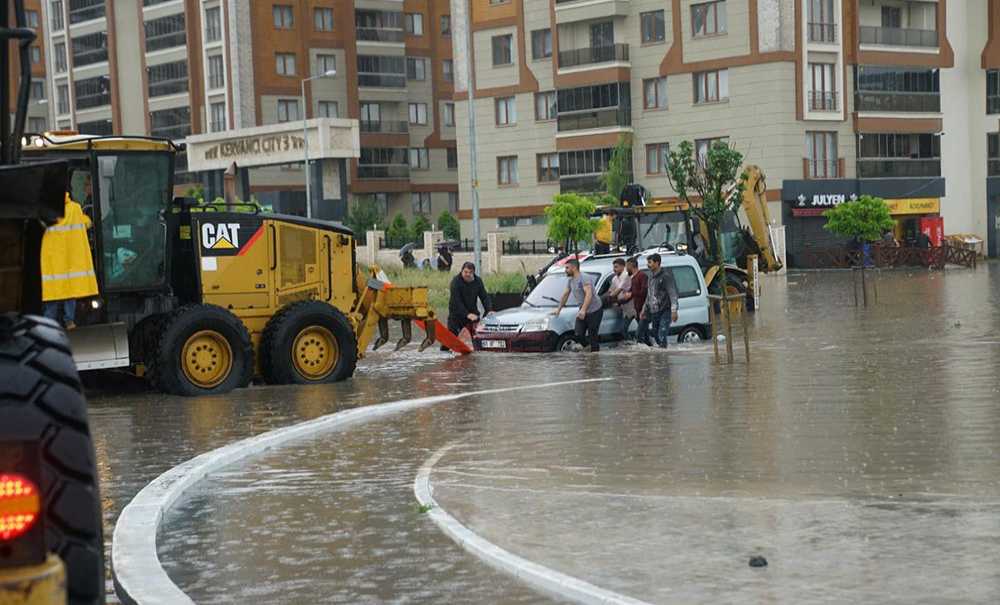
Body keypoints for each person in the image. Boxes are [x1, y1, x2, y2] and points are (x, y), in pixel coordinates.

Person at [41, 191, 98, 330]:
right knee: (70, 292)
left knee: (52, 297)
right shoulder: (75, 208)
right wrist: (88, 220)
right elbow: (86, 223)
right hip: (69, 261)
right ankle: (69, 321)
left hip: (52, 264)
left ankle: (49, 325)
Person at [553, 259, 604, 352]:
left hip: (595, 310)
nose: (565, 270)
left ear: (574, 267)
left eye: (567, 268)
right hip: (583, 309)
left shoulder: (584, 278)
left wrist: (583, 310)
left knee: (593, 335)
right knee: (578, 334)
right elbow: (565, 294)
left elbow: (589, 294)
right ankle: (588, 349)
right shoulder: (571, 281)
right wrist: (558, 309)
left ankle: (595, 359)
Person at [638, 253, 678, 348]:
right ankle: (662, 356)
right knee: (655, 333)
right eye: (648, 262)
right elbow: (649, 295)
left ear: (657, 263)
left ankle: (664, 358)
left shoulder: (665, 277)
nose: (648, 265)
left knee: (661, 333)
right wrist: (644, 309)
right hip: (654, 310)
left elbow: (673, 294)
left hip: (666, 309)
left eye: (650, 262)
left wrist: (674, 310)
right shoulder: (650, 277)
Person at [446, 262, 491, 348]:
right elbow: (456, 301)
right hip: (456, 316)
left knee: (475, 341)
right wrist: (467, 314)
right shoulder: (456, 282)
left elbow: (484, 297)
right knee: (449, 343)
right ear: (462, 271)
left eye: (470, 273)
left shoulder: (478, 281)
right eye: (465, 272)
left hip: (472, 315)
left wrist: (489, 310)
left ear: (473, 273)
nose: (467, 274)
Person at [621, 257, 647, 343]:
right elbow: (632, 291)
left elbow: (644, 291)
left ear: (630, 265)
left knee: (640, 334)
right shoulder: (633, 278)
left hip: (644, 308)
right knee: (644, 334)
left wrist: (632, 294)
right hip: (637, 309)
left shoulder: (642, 276)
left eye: (626, 266)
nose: (626, 269)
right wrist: (626, 296)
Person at [606, 258, 632, 341]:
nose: (614, 269)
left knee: (624, 330)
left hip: (633, 306)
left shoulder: (626, 276)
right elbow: (610, 291)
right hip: (624, 308)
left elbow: (617, 291)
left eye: (616, 267)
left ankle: (641, 346)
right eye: (614, 267)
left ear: (623, 267)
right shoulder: (614, 279)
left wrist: (608, 299)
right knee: (624, 330)